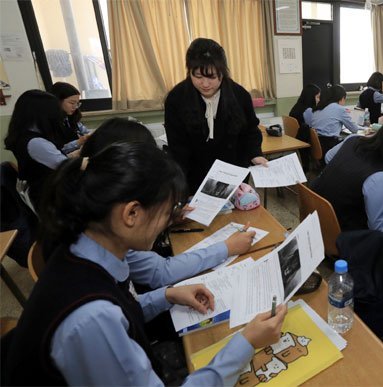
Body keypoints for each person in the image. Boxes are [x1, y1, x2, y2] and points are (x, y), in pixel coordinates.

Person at [1, 142, 287, 385]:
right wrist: (246, 343)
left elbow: (124, 307)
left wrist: (166, 295)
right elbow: (109, 317)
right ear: (132, 213)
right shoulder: (92, 318)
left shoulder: (83, 247)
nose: (167, 223)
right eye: (166, 212)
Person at [78, 117, 256, 289]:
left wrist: (165, 218)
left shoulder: (96, 204)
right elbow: (159, 272)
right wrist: (227, 248)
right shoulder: (109, 230)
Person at [165, 38, 266, 194]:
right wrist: (178, 189)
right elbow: (178, 148)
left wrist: (255, 154)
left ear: (222, 72)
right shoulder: (176, 99)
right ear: (189, 71)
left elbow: (250, 131)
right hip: (194, 178)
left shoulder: (240, 95)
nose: (205, 84)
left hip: (233, 174)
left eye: (212, 77)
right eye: (198, 76)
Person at [4, 90, 70, 209]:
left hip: (43, 190)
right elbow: (66, 166)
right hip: (48, 196)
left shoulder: (24, 135)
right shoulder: (35, 142)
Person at [306, 84, 360, 157]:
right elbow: (354, 129)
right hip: (329, 146)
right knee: (354, 141)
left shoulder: (320, 107)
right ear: (342, 98)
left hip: (317, 145)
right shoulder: (339, 109)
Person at [50, 82, 91, 155]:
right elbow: (57, 151)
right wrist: (78, 142)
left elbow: (85, 132)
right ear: (58, 101)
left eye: (77, 103)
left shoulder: (71, 118)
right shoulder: (50, 123)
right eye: (72, 103)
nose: (75, 107)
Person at [289, 84, 321, 171]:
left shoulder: (297, 106)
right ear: (311, 97)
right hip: (304, 143)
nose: (319, 100)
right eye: (317, 97)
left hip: (296, 140)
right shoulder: (308, 110)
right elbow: (314, 128)